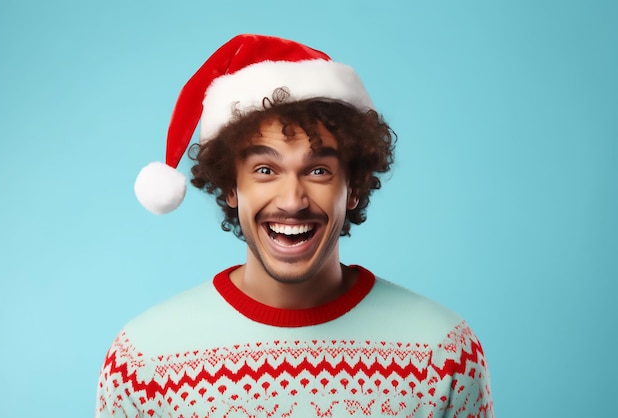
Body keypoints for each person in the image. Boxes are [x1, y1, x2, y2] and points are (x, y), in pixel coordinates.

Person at [96, 34, 494, 417]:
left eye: (318, 170)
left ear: (352, 187)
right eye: (265, 169)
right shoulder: (144, 361)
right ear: (231, 187)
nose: (292, 200)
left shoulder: (442, 355)